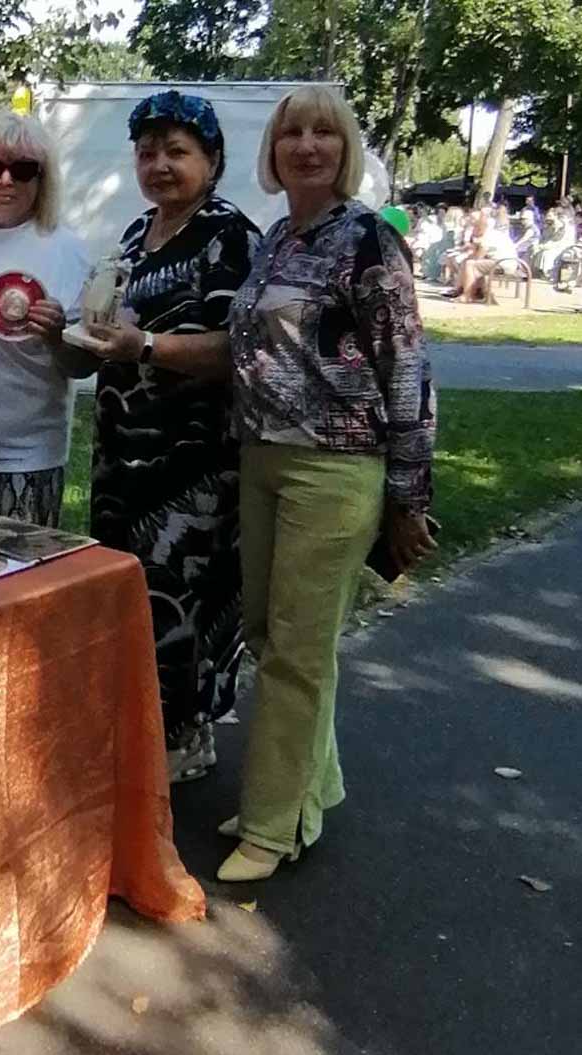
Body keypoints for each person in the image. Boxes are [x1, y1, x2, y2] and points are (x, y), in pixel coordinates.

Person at [224, 85, 437, 882]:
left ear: (345, 149)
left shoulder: (368, 240)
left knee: (297, 650)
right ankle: (308, 787)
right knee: (267, 633)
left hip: (335, 465)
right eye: (291, 133)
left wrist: (409, 494)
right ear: (272, 150)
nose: (306, 145)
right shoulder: (276, 239)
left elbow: (406, 366)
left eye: (324, 132)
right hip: (260, 458)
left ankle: (271, 825)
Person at [82, 90, 260, 784]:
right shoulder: (136, 234)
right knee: (126, 592)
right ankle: (143, 730)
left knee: (181, 597)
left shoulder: (228, 236)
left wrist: (147, 347)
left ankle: (183, 736)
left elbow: (238, 347)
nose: (159, 165)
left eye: (176, 152)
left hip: (191, 461)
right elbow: (112, 328)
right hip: (122, 454)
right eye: (147, 152)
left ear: (211, 159)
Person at [0, 107, 90, 527]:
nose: (6, 179)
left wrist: (58, 337)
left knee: (18, 568)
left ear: (43, 179)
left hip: (28, 457)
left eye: (24, 169)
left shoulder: (68, 251)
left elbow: (84, 364)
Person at [447, 209, 519, 302]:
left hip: (504, 264)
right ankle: (469, 291)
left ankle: (468, 295)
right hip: (503, 262)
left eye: (475, 225)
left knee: (470, 264)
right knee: (469, 263)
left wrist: (467, 258)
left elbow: (479, 256)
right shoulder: (491, 233)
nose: (473, 227)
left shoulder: (488, 235)